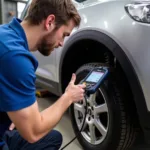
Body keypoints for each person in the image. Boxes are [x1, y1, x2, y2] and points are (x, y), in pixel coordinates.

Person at [0, 0, 85, 149]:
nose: (61, 43)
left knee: (53, 138)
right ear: (50, 22)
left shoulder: (5, 33)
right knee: (38, 134)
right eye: (64, 35)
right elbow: (33, 132)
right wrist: (68, 97)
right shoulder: (15, 58)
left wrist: (9, 111)